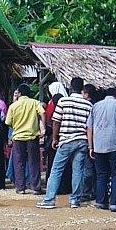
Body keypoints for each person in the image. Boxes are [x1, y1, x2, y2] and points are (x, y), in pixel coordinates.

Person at [37, 78, 93, 209]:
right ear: (82, 89)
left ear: (70, 87)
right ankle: (75, 200)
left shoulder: (63, 101)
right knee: (78, 170)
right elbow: (89, 126)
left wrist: (55, 138)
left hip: (66, 140)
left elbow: (56, 120)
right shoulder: (88, 105)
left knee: (56, 170)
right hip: (82, 140)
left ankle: (49, 199)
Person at [5, 84, 45, 194]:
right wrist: (43, 128)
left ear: (20, 93)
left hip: (18, 137)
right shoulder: (35, 103)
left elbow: (8, 122)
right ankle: (36, 187)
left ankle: (20, 188)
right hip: (32, 137)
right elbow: (42, 112)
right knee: (34, 162)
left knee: (19, 163)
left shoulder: (13, 106)